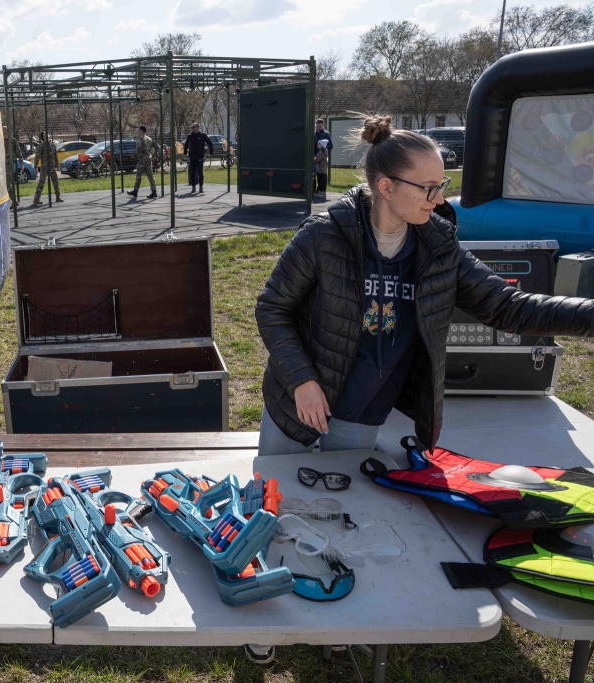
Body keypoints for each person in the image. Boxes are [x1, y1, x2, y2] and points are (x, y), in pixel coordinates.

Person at [244, 114, 594, 665]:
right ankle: (261, 616)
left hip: (364, 407)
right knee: (271, 507)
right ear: (386, 187)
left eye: (441, 185)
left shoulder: (438, 247)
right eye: (428, 187)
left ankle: (331, 612)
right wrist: (302, 380)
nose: (439, 198)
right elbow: (272, 309)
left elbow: (509, 306)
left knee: (338, 510)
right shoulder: (324, 235)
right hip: (296, 402)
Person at [32, 131, 63, 205]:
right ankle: (36, 198)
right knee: (41, 182)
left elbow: (55, 156)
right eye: (44, 134)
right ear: (42, 137)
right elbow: (37, 157)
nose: (46, 135)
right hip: (44, 167)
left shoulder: (52, 145)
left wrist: (57, 165)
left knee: (55, 182)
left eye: (47, 134)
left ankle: (58, 197)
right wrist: (35, 167)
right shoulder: (41, 146)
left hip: (52, 166)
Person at [127, 125, 157, 200]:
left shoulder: (139, 138)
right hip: (148, 159)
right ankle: (154, 191)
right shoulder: (149, 139)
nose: (137, 131)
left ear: (141, 131)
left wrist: (140, 153)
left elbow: (138, 147)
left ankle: (135, 191)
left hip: (142, 160)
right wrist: (153, 155)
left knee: (138, 175)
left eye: (138, 130)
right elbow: (157, 147)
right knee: (150, 175)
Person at [182, 122, 213, 193]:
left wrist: (211, 153)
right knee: (192, 172)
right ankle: (193, 187)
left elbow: (210, 143)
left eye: (193, 127)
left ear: (197, 128)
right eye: (192, 127)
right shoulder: (190, 136)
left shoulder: (202, 135)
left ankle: (201, 187)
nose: (192, 129)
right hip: (192, 156)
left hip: (200, 156)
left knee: (200, 172)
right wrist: (185, 153)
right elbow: (186, 144)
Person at [3, 125, 23, 208]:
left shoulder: (13, 140)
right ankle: (12, 200)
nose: (5, 132)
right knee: (4, 184)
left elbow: (19, 152)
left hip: (10, 164)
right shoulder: (0, 140)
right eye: (3, 131)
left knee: (7, 183)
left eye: (6, 131)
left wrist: (21, 164)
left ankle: (14, 200)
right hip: (2, 164)